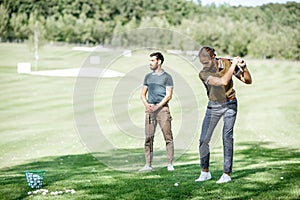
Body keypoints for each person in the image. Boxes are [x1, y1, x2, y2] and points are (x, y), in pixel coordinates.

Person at [195, 46, 252, 183]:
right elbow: (223, 82)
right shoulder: (203, 73)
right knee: (204, 140)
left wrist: (243, 67)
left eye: (207, 62)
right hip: (213, 106)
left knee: (227, 137)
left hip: (230, 104)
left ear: (214, 57)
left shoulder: (226, 64)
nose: (205, 65)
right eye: (202, 62)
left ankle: (226, 174)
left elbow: (248, 81)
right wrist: (233, 64)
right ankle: (205, 172)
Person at [139, 52, 175, 172]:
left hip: (163, 110)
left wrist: (158, 106)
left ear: (159, 62)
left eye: (153, 60)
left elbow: (169, 95)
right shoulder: (147, 77)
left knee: (168, 137)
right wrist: (148, 105)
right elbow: (143, 94)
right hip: (150, 110)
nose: (150, 63)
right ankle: (148, 165)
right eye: (150, 60)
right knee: (148, 138)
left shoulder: (167, 77)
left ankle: (170, 164)